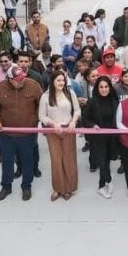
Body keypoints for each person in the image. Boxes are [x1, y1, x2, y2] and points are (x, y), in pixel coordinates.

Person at [0, 65, 44, 201]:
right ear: (9, 79)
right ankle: (6, 187)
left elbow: (42, 104)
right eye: (17, 80)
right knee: (7, 161)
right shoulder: (0, 88)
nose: (21, 82)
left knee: (28, 160)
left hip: (27, 133)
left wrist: (37, 121)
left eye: (22, 78)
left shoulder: (33, 85)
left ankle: (26, 186)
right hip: (7, 134)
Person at [38, 71, 80, 201]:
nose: (61, 83)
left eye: (63, 80)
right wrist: (52, 123)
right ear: (52, 82)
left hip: (68, 130)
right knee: (56, 160)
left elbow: (77, 110)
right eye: (58, 80)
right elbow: (42, 116)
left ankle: (68, 188)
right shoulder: (45, 96)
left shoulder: (70, 93)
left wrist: (73, 121)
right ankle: (57, 188)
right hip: (53, 132)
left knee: (69, 159)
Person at [83, 76, 119, 199]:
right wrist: (93, 125)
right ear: (97, 88)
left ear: (110, 87)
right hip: (98, 139)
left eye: (106, 87)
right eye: (101, 87)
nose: (104, 89)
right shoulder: (92, 101)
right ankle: (101, 186)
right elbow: (85, 119)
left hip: (111, 138)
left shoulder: (114, 101)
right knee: (102, 162)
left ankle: (108, 179)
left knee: (107, 161)